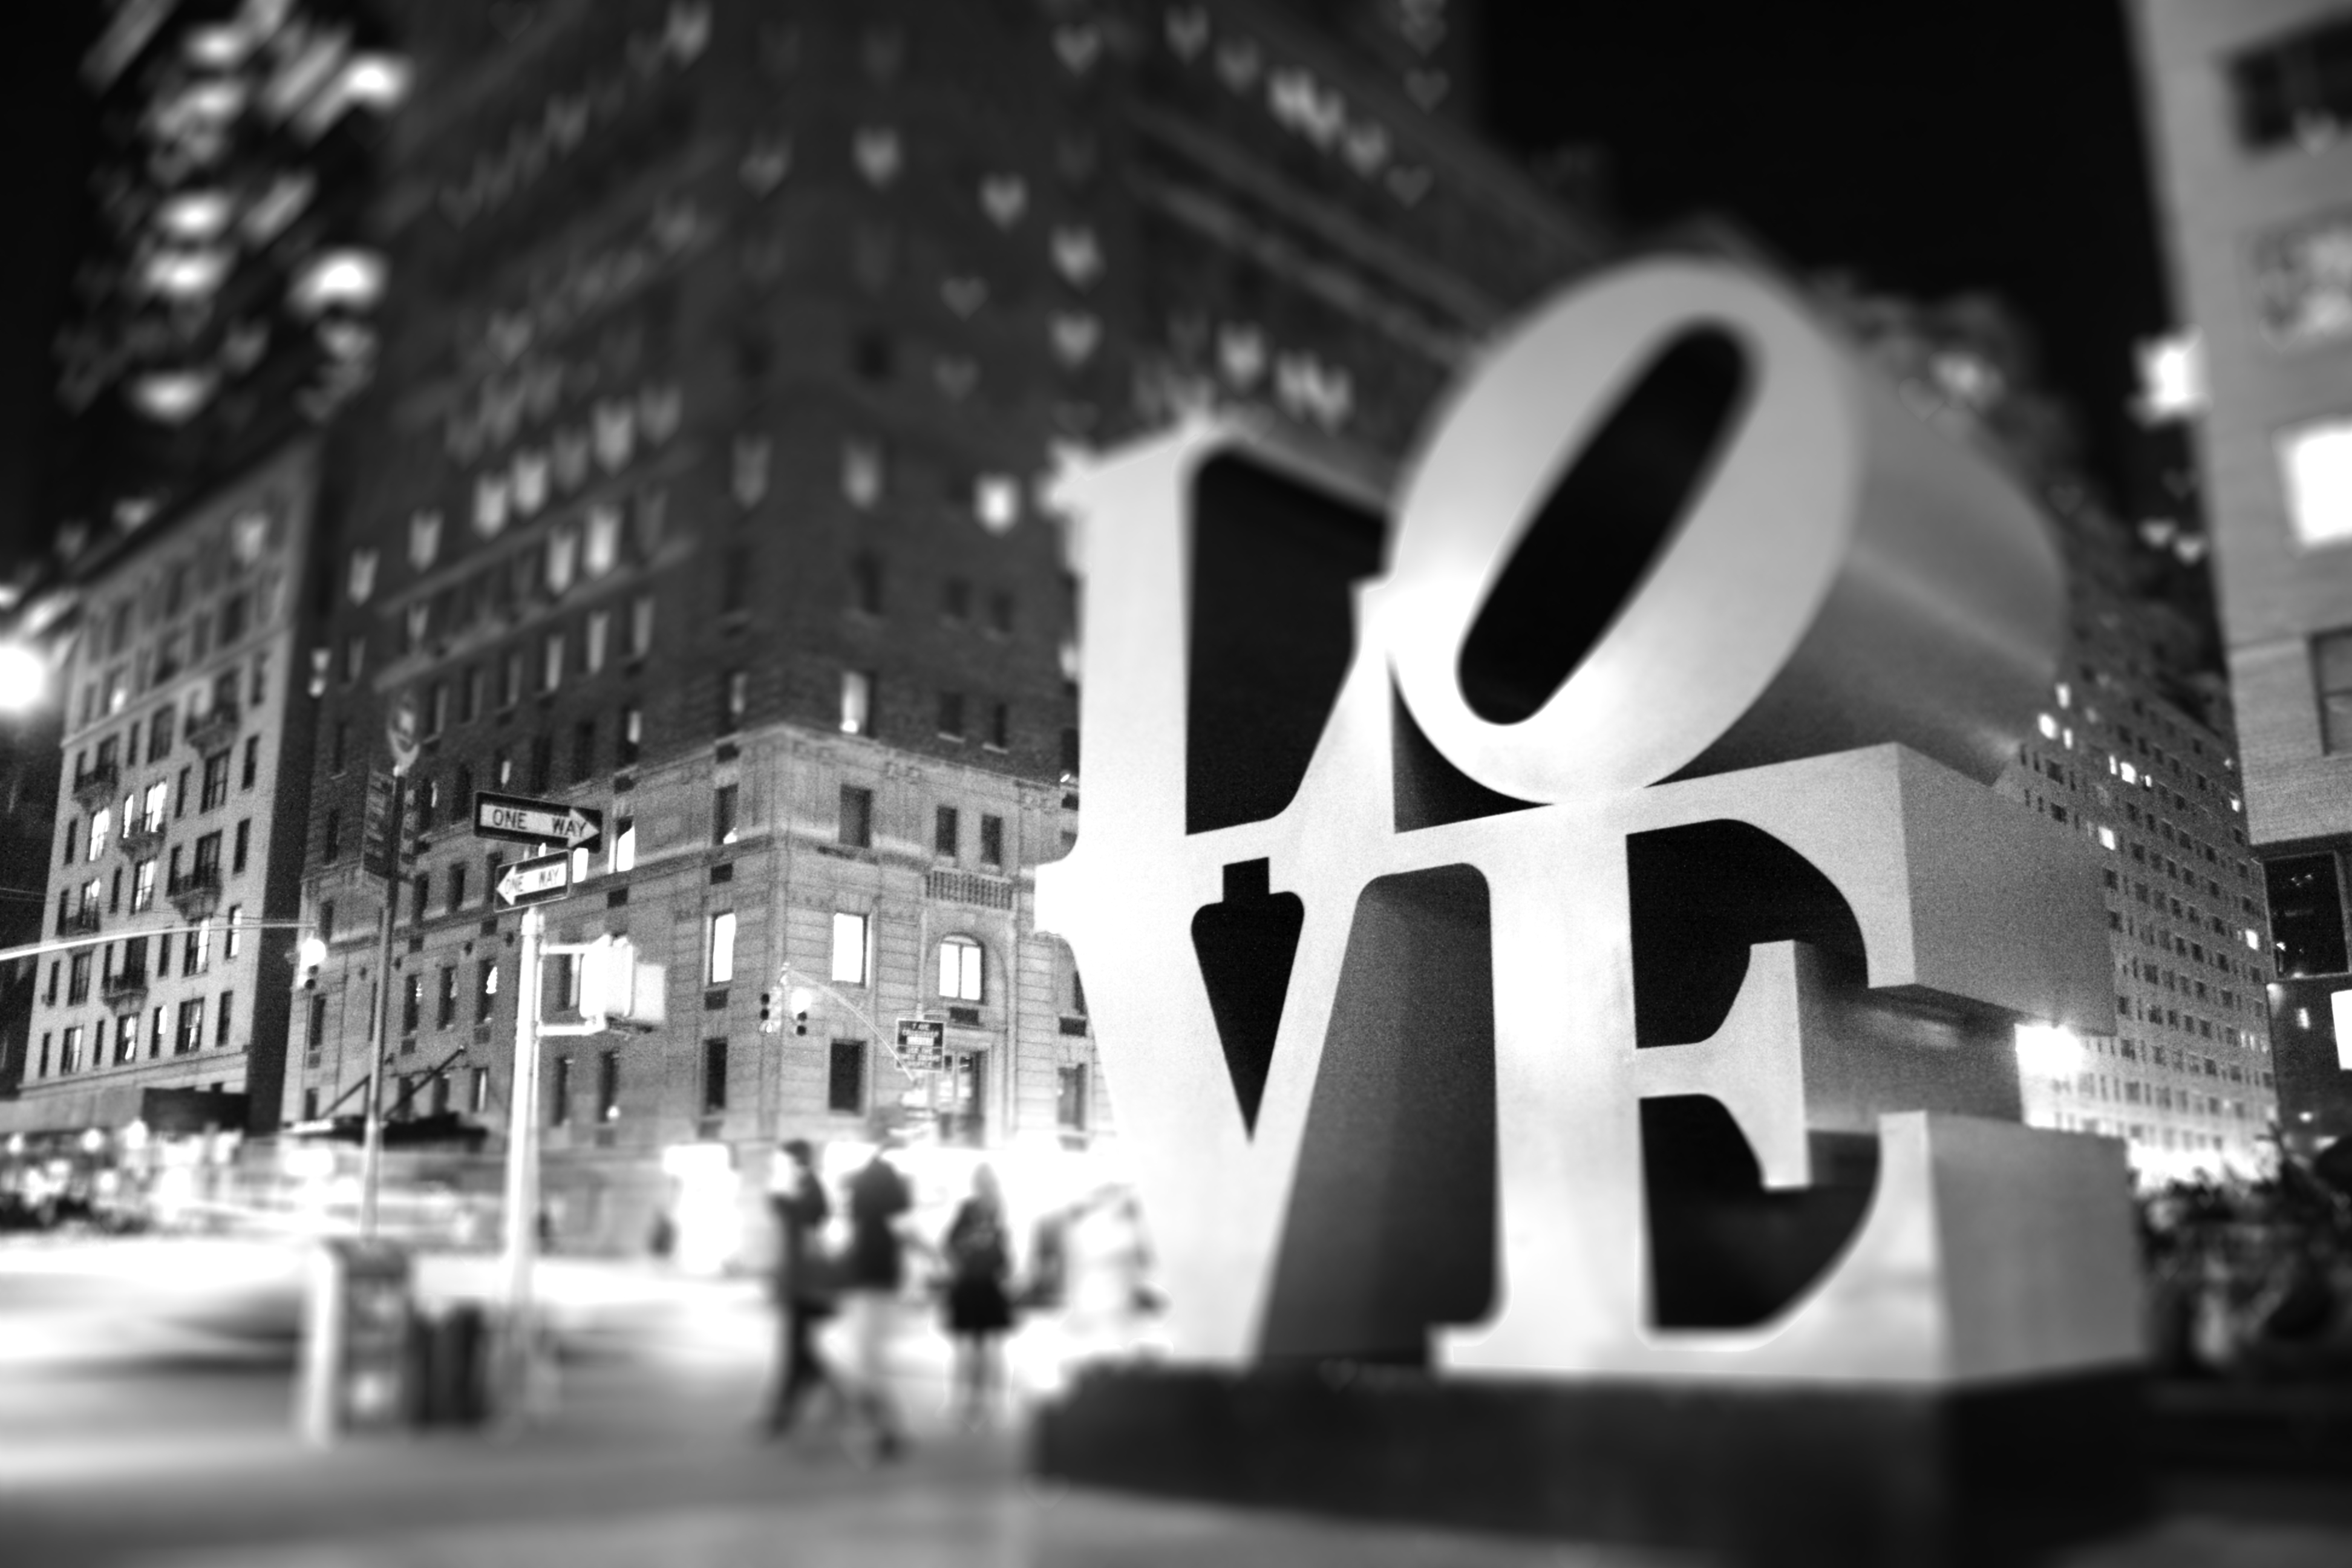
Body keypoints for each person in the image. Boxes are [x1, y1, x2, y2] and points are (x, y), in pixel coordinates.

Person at [840, 1128, 916, 1459]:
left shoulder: (863, 1183)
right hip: (880, 1277)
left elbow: (855, 1226)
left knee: (867, 1357)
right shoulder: (888, 1183)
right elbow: (902, 1227)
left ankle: (880, 1427)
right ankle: (885, 1428)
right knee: (872, 1358)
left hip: (865, 1276)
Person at [762, 1139, 837, 1437]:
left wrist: (781, 1202)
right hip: (798, 1281)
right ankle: (791, 1407)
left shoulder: (809, 1190)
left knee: (799, 1349)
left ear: (797, 1162)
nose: (779, 1167)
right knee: (805, 1350)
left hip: (807, 1283)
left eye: (784, 1161)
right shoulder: (799, 1189)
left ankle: (783, 1414)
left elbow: (808, 1228)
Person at [941, 1165, 1015, 1428]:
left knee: (989, 1350)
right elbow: (949, 1245)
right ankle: (963, 1403)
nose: (986, 1189)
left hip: (989, 1287)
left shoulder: (1000, 1214)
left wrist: (999, 1258)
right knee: (966, 1349)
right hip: (968, 1286)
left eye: (989, 1184)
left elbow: (1005, 1260)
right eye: (982, 1184)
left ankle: (989, 1404)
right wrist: (971, 1242)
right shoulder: (966, 1211)